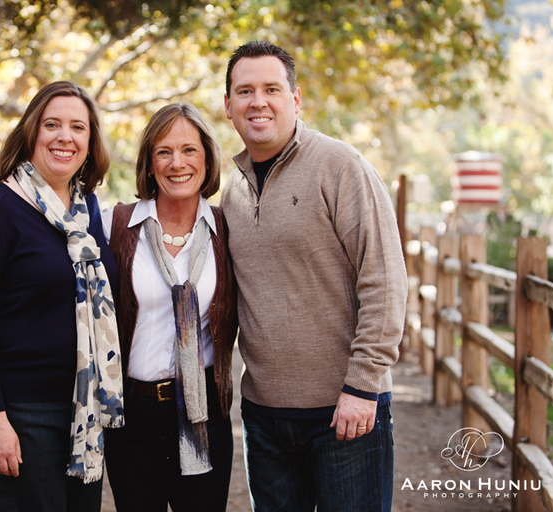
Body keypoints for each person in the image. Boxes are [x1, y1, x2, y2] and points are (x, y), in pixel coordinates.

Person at [220, 41, 407, 512]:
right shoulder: (231, 190)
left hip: (346, 413)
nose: (257, 102)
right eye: (244, 91)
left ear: (296, 99)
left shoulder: (340, 167)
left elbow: (384, 280)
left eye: (271, 89)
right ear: (228, 106)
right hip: (264, 419)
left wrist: (363, 386)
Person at [0, 81, 124, 512]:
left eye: (78, 127)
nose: (65, 137)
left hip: (84, 410)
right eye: (52, 124)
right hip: (24, 414)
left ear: (90, 141)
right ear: (31, 132)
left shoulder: (88, 213)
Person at [101, 102, 238, 512]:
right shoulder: (115, 226)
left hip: (204, 412)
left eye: (189, 150)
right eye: (164, 151)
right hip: (134, 413)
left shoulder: (227, 230)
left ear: (208, 158)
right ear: (149, 162)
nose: (177, 163)